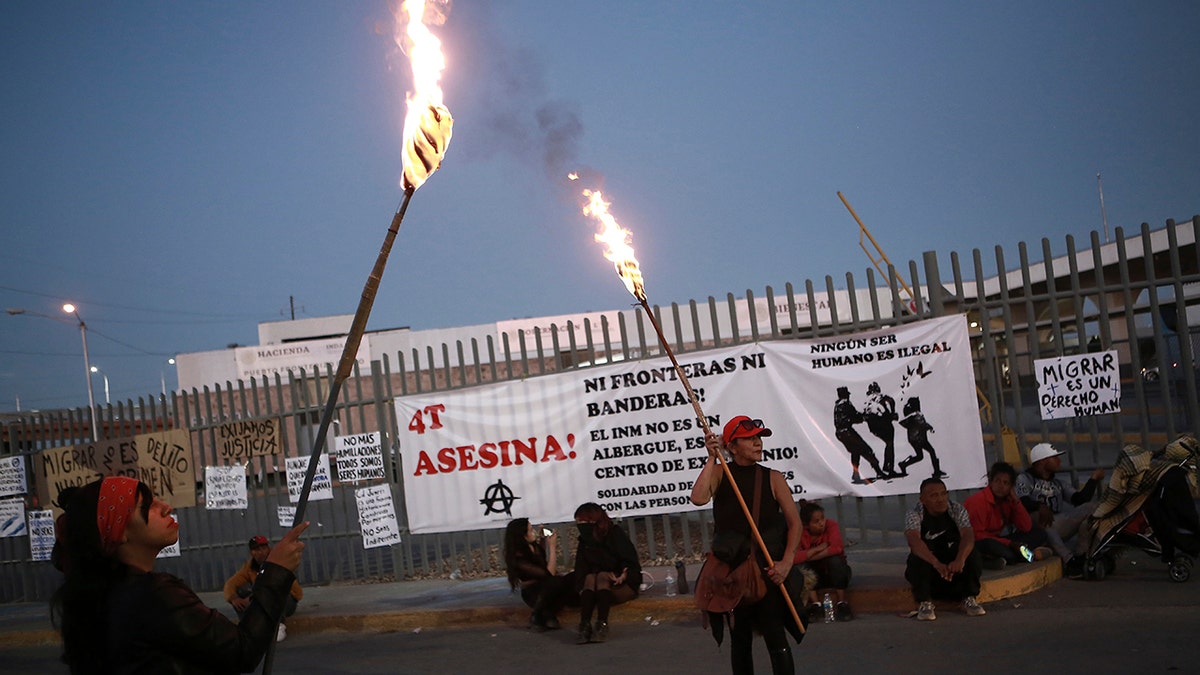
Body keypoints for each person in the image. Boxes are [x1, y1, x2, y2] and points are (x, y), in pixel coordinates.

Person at [50, 476, 307, 674]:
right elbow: (242, 650)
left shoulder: (105, 594)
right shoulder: (154, 596)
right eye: (147, 506)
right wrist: (275, 571)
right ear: (119, 532)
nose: (166, 507)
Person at [692, 415, 803, 675]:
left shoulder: (772, 478)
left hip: (767, 571)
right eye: (750, 439)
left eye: (758, 438)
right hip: (732, 573)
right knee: (740, 640)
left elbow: (795, 524)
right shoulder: (721, 473)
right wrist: (711, 457)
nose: (757, 443)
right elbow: (698, 498)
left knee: (776, 638)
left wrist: (786, 564)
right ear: (732, 447)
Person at [904, 476, 986, 620]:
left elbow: (968, 535)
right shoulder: (915, 513)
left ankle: (969, 598)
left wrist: (960, 559)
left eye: (943, 494)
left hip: (953, 566)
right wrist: (935, 563)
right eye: (934, 496)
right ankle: (925, 602)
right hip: (932, 566)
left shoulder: (956, 509)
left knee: (972, 554)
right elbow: (914, 541)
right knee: (917, 558)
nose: (940, 499)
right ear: (922, 499)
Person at [1014, 443, 1104, 570]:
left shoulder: (1058, 484)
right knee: (1038, 515)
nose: (1059, 461)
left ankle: (1082, 555)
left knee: (1093, 508)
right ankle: (1069, 560)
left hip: (1057, 524)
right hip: (1035, 528)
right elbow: (1022, 502)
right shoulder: (1025, 478)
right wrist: (1040, 506)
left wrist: (1093, 479)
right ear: (1043, 461)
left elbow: (1080, 499)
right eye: (1054, 458)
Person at [571, 502, 641, 644]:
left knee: (602, 576)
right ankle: (584, 625)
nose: (580, 525)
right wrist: (581, 588)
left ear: (592, 520)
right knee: (592, 577)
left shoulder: (614, 533)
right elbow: (581, 568)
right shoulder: (585, 541)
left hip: (620, 583)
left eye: (582, 521)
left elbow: (630, 561)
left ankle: (602, 623)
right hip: (595, 587)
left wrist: (622, 574)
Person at [964, 462, 1051, 569]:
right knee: (997, 548)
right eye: (997, 481)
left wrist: (1016, 502)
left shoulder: (1008, 500)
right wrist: (1009, 543)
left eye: (1006, 483)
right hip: (977, 542)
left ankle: (1004, 558)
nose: (1001, 486)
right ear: (990, 482)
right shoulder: (978, 501)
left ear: (1011, 486)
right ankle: (1023, 556)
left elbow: (1026, 527)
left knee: (1040, 533)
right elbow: (976, 535)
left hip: (998, 540)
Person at [224, 534, 304, 641]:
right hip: (263, 601)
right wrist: (233, 598)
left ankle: (278, 625)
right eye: (256, 549)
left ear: (268, 548)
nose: (260, 552)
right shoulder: (250, 567)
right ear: (251, 553)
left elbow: (292, 591)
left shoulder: (278, 562)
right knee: (239, 592)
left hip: (287, 601)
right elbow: (230, 584)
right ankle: (247, 626)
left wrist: (254, 597)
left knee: (274, 594)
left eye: (263, 548)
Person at [504, 518, 575, 631]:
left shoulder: (532, 546)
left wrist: (543, 540)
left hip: (546, 586)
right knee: (556, 581)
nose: (534, 532)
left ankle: (548, 615)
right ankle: (537, 614)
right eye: (531, 530)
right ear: (522, 535)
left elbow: (539, 559)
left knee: (572, 578)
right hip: (534, 592)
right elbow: (548, 574)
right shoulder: (518, 556)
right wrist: (552, 547)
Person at [793, 501, 853, 621]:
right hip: (814, 577)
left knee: (835, 560)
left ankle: (842, 603)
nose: (821, 523)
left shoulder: (831, 525)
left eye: (822, 519)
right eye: (816, 522)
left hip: (834, 575)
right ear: (806, 525)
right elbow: (795, 557)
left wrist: (809, 555)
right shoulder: (800, 533)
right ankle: (816, 605)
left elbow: (836, 548)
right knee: (801, 566)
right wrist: (819, 548)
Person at [833, 387, 890, 484]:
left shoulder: (837, 405)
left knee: (855, 452)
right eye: (847, 394)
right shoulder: (845, 404)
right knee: (866, 450)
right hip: (847, 432)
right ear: (845, 395)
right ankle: (878, 471)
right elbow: (855, 417)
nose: (849, 395)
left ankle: (855, 473)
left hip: (840, 433)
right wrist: (865, 417)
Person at [897, 396, 944, 478]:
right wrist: (930, 428)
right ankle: (937, 471)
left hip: (914, 439)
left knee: (920, 456)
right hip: (920, 438)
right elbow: (922, 424)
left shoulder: (911, 415)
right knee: (931, 452)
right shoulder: (917, 415)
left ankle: (904, 464)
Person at [862, 382, 899, 476]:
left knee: (888, 444)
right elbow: (887, 413)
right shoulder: (883, 399)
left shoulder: (868, 402)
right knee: (890, 445)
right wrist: (891, 416)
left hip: (874, 427)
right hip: (884, 425)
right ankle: (889, 467)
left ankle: (888, 467)